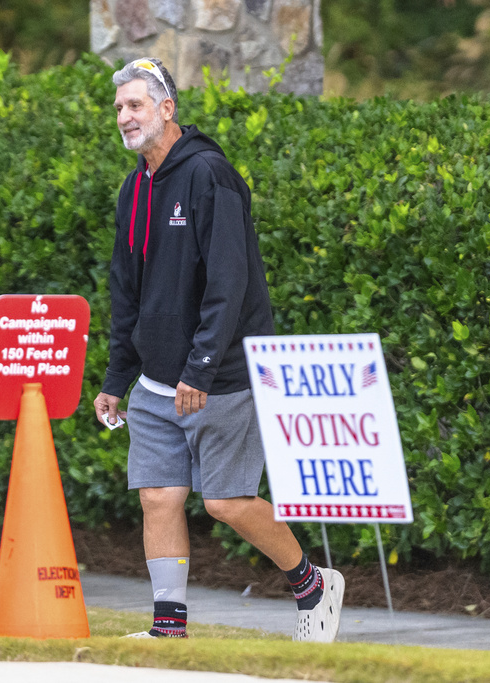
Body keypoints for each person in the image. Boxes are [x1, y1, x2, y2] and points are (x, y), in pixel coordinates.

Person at [92, 58, 344, 643]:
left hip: (221, 376)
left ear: (166, 109)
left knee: (227, 503)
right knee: (158, 496)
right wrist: (116, 377)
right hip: (157, 381)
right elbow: (125, 292)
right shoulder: (135, 188)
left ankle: (311, 583)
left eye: (135, 105)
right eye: (119, 108)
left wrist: (200, 366)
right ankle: (168, 628)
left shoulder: (211, 175)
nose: (125, 117)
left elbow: (229, 283)